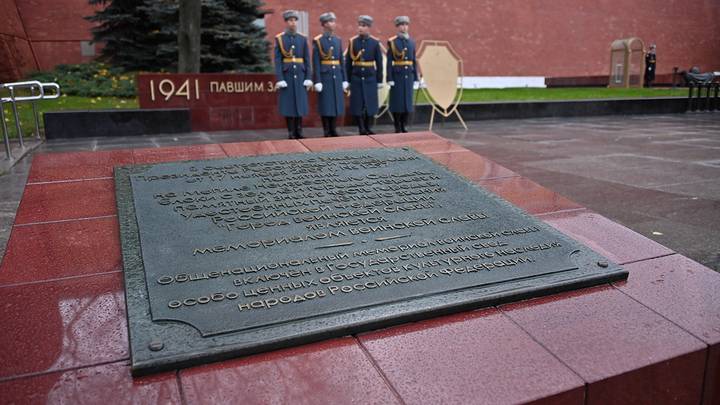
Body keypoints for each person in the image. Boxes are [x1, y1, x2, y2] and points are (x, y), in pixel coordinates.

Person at [274, 10, 313, 139]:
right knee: (289, 104)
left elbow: (307, 59)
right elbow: (278, 60)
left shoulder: (302, 38)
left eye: (294, 20)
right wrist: (280, 78)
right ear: (286, 22)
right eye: (290, 20)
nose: (292, 22)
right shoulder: (280, 39)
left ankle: (299, 130)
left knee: (300, 104)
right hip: (287, 76)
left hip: (300, 75)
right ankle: (291, 131)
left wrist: (308, 77)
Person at [312, 12, 348, 137]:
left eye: (333, 21)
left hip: (336, 75)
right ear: (325, 24)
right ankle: (326, 130)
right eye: (331, 21)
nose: (333, 24)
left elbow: (341, 61)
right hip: (325, 76)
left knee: (336, 103)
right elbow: (316, 62)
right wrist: (317, 80)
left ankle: (333, 128)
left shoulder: (337, 40)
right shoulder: (318, 41)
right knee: (326, 104)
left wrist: (344, 79)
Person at [346, 15, 384, 135]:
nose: (360, 28)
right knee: (358, 104)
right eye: (359, 25)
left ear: (369, 28)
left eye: (363, 26)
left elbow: (379, 62)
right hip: (356, 77)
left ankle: (368, 127)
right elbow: (348, 62)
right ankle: (361, 128)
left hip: (370, 77)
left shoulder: (374, 43)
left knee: (370, 103)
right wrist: (347, 80)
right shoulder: (353, 42)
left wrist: (379, 80)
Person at [387, 16, 419, 133]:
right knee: (397, 102)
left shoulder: (411, 42)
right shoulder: (393, 42)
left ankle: (404, 124)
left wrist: (416, 76)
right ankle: (397, 125)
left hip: (408, 75)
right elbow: (390, 61)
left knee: (407, 102)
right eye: (401, 25)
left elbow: (413, 60)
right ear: (398, 26)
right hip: (397, 76)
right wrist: (389, 77)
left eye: (406, 24)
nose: (404, 27)